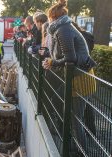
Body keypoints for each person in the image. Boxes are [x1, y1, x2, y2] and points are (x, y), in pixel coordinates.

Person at [43, 0, 96, 154]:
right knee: (68, 112)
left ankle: (81, 151)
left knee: (76, 119)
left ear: (53, 17)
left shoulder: (63, 30)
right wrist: (53, 61)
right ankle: (72, 143)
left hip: (80, 80)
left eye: (49, 17)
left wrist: (53, 62)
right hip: (77, 77)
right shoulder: (64, 27)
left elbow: (70, 58)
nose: (49, 21)